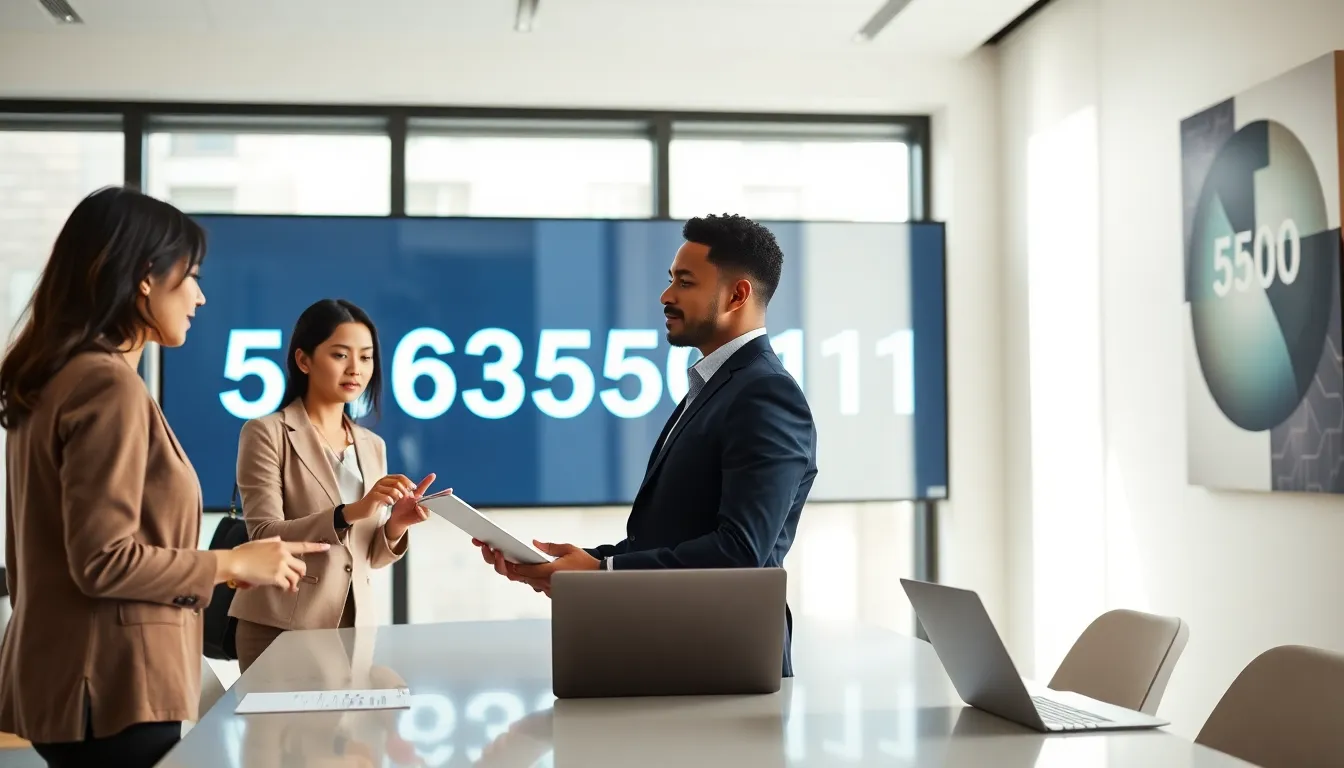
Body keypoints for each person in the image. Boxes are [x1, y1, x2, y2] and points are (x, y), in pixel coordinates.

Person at [0, 186, 329, 768]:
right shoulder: (106, 385)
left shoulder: (55, 377)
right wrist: (231, 564)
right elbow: (103, 559)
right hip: (111, 687)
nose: (200, 297)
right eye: (192, 276)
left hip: (68, 683)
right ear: (145, 278)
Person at [474, 213, 818, 677]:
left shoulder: (765, 393)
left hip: (724, 662)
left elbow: (741, 551)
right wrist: (590, 563)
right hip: (680, 649)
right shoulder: (719, 386)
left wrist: (601, 574)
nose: (666, 296)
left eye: (685, 282)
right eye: (669, 279)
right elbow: (671, 536)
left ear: (737, 295)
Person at [229, 299, 438, 672]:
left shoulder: (373, 445)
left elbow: (365, 555)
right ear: (304, 360)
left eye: (366, 357)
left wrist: (396, 525)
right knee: (278, 732)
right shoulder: (266, 432)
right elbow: (263, 533)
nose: (355, 369)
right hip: (281, 626)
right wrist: (351, 513)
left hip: (353, 627)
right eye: (340, 355)